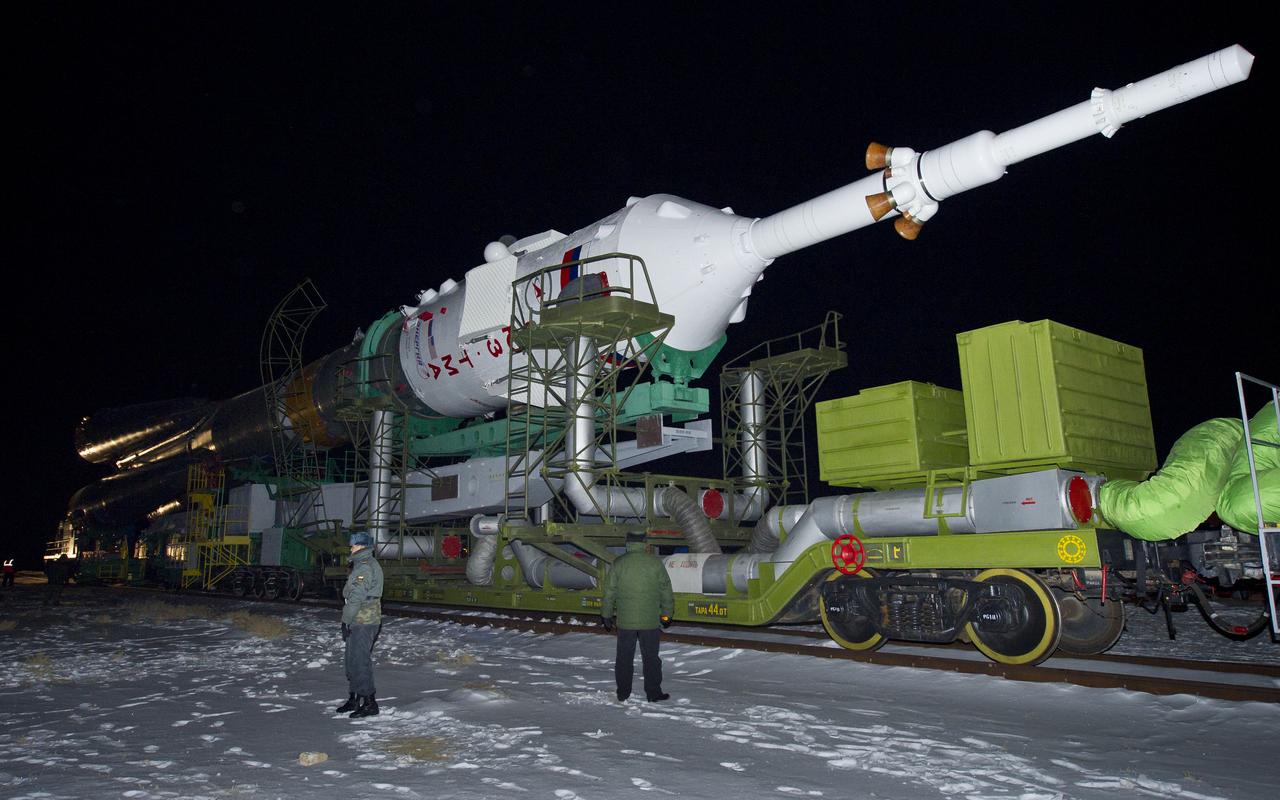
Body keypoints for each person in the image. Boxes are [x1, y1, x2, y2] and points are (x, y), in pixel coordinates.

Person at [601, 531, 675, 702]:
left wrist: (606, 615)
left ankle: (623, 693)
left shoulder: (619, 563)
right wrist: (667, 615)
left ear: (627, 544)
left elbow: (609, 592)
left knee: (624, 659)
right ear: (644, 543)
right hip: (649, 622)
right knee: (651, 659)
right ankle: (653, 693)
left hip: (626, 622)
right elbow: (666, 590)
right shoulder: (655, 563)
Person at [336, 531, 383, 719]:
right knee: (352, 659)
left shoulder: (364, 566)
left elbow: (356, 597)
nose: (351, 547)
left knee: (360, 660)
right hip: (361, 617)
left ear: (361, 546)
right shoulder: (362, 564)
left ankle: (370, 703)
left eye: (353, 545)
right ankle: (355, 698)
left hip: (363, 619)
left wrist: (346, 620)